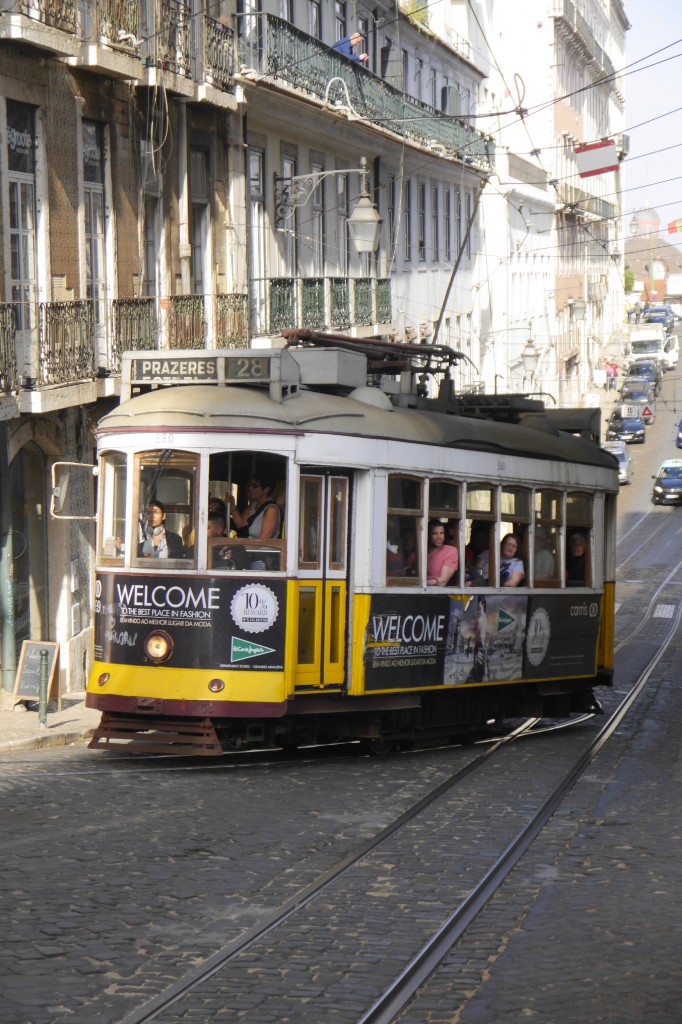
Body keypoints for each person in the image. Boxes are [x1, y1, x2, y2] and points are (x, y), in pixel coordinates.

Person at [225, 474, 282, 570]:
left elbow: (263, 539)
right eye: (249, 485)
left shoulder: (271, 509)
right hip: (251, 553)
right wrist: (232, 506)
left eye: (255, 486)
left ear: (266, 489)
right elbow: (240, 523)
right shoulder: (254, 504)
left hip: (263, 557)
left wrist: (241, 549)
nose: (250, 489)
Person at [426, 519, 459, 586]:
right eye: (435, 533)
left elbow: (443, 580)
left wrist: (422, 583)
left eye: (441, 533)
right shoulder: (419, 553)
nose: (439, 537)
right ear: (428, 535)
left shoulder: (450, 551)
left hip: (438, 593)